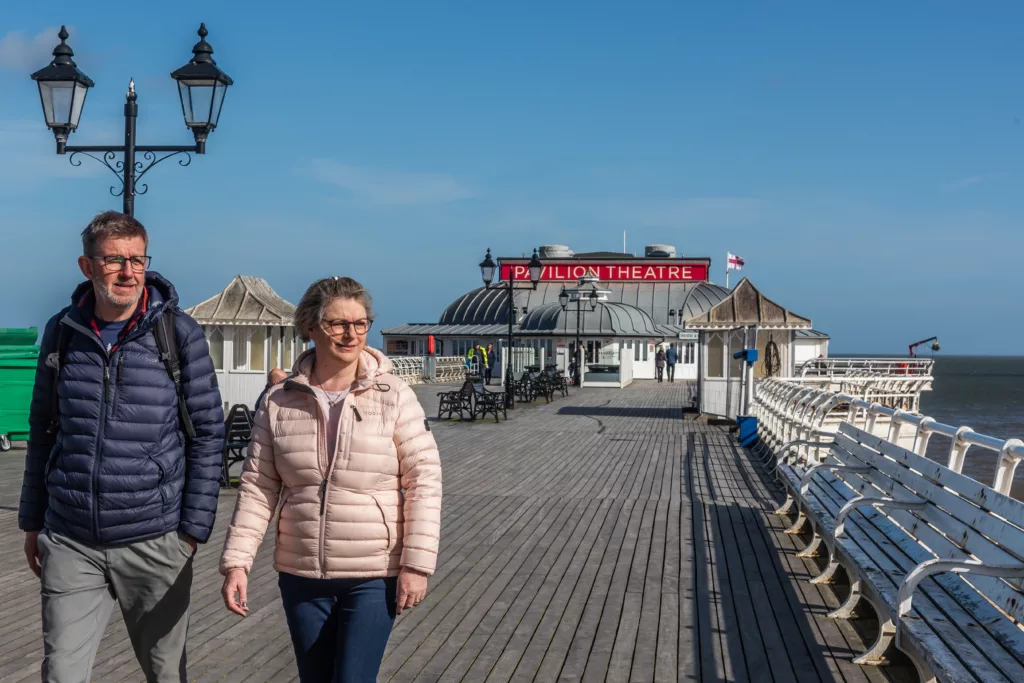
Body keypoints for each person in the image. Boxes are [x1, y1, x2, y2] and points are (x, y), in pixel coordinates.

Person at [18, 210, 225, 683]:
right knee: (62, 673)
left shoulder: (177, 333)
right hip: (71, 538)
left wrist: (192, 530)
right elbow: (42, 427)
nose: (129, 272)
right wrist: (33, 520)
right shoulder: (63, 331)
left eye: (137, 259)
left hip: (155, 537)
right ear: (87, 266)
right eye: (113, 260)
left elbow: (209, 431)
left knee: (166, 674)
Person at [219, 276, 442, 683]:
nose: (350, 334)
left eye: (360, 323)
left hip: (374, 573)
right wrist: (237, 563)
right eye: (337, 324)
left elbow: (424, 480)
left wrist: (416, 565)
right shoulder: (279, 399)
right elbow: (258, 486)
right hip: (302, 574)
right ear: (310, 327)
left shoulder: (394, 395)